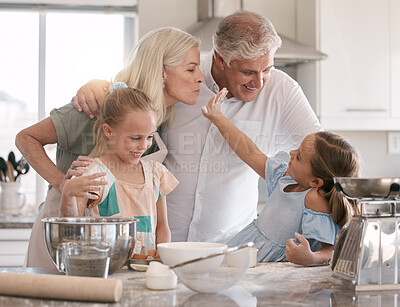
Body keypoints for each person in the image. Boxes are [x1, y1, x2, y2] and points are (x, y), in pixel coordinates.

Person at [73, 10, 322, 244]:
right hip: (161, 245)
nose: (259, 82)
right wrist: (97, 85)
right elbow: (129, 94)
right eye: (248, 72)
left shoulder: (282, 91)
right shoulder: (185, 74)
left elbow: (325, 159)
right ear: (220, 59)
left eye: (266, 69)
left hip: (231, 248)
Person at [16, 26, 204, 267]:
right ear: (162, 72)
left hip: (117, 247)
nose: (201, 77)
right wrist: (63, 183)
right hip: (66, 231)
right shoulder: (97, 105)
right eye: (191, 68)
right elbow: (25, 137)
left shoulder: (157, 120)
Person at [201, 88, 360, 265]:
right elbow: (249, 152)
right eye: (297, 149)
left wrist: (311, 257)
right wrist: (218, 118)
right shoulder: (284, 176)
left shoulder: (314, 198)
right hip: (250, 252)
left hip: (272, 267)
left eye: (299, 156)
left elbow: (332, 250)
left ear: (315, 182)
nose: (291, 152)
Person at [61, 83, 178, 259]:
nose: (144, 146)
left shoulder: (156, 174)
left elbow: (162, 227)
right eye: (135, 138)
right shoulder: (92, 174)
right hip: (105, 271)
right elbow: (72, 228)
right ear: (108, 131)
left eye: (149, 137)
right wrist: (67, 193)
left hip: (146, 271)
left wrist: (162, 261)